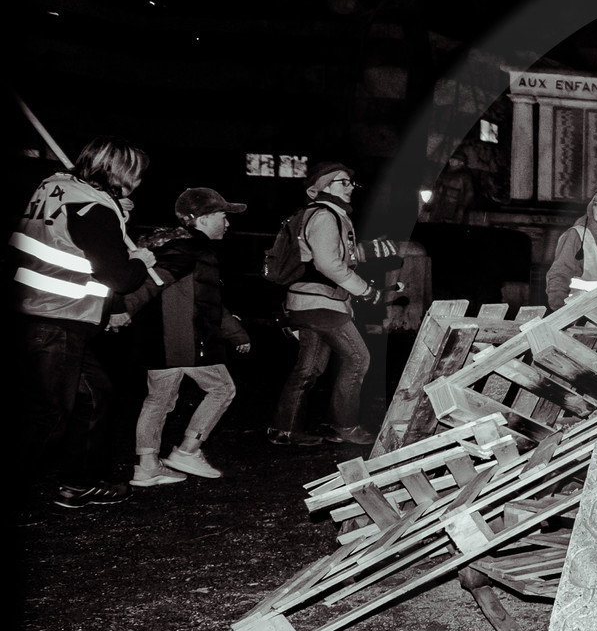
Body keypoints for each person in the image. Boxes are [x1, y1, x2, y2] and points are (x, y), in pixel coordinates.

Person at [12, 136, 157, 508]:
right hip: (54, 320)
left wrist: (115, 212)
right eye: (136, 175)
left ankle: (82, 482)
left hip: (37, 314)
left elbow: (73, 238)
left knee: (95, 395)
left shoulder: (54, 186)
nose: (140, 182)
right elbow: (121, 277)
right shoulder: (94, 209)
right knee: (48, 416)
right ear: (119, 173)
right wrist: (143, 258)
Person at [116, 187, 252, 486]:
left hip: (158, 343)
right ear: (201, 219)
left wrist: (234, 332)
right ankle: (189, 450)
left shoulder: (177, 246)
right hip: (186, 341)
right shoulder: (191, 250)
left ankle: (148, 465)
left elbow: (205, 298)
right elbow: (154, 282)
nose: (227, 223)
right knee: (222, 389)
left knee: (158, 400)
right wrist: (123, 309)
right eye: (222, 216)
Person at [269, 160, 395, 448]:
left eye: (351, 182)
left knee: (308, 368)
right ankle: (344, 426)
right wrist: (368, 292)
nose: (350, 187)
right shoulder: (326, 216)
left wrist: (370, 250)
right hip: (321, 305)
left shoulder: (327, 215)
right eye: (343, 182)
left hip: (305, 303)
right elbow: (328, 264)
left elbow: (334, 253)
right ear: (324, 186)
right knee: (358, 359)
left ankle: (284, 429)